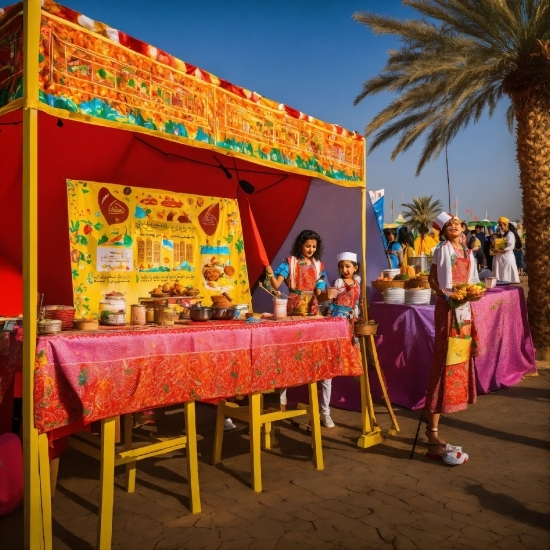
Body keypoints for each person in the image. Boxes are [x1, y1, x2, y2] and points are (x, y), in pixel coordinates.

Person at [425, 212, 480, 466]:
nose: (454, 225)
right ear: (444, 231)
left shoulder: (469, 253)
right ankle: (432, 435)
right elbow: (432, 280)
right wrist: (445, 294)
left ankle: (437, 432)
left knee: (457, 361)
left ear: (463, 228)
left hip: (465, 311)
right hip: (447, 310)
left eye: (457, 222)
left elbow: (472, 283)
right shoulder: (442, 250)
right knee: (443, 363)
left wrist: (473, 294)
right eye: (450, 224)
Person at [265, 230, 327, 410]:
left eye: (314, 246)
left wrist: (323, 294)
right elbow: (276, 285)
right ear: (300, 245)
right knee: (288, 351)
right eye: (308, 246)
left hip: (312, 308)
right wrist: (270, 273)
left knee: (311, 352)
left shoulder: (318, 265)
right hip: (293, 307)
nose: (311, 249)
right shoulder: (289, 262)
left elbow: (319, 289)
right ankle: (282, 400)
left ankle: (314, 403)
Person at [318, 252, 362, 428]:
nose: (345, 269)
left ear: (355, 267)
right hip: (336, 324)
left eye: (348, 266)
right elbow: (330, 300)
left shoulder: (358, 282)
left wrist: (357, 316)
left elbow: (356, 304)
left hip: (350, 326)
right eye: (342, 267)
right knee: (329, 368)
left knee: (352, 362)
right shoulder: (338, 283)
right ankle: (325, 412)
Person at [491, 217, 520, 283]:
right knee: (502, 279)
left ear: (506, 224)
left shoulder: (510, 234)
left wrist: (499, 251)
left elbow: (511, 247)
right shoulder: (503, 235)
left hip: (507, 259)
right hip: (502, 259)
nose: (500, 227)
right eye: (499, 225)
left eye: (501, 225)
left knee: (509, 279)